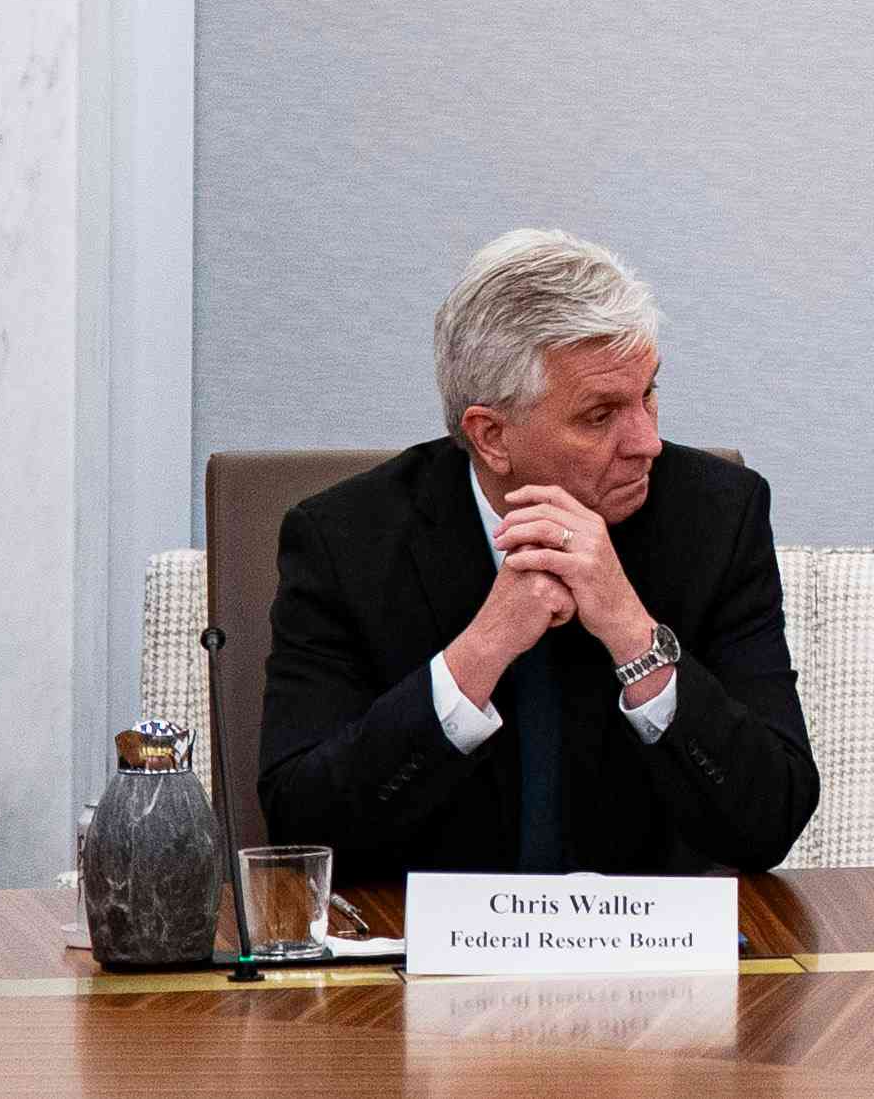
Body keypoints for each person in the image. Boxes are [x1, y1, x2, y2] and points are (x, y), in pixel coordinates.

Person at [257, 228, 818, 879]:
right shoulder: (345, 541)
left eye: (649, 394)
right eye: (599, 416)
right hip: (417, 959)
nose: (647, 443)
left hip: (648, 958)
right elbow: (301, 828)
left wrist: (636, 637)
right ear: (491, 436)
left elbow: (769, 821)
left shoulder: (717, 517)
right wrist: (482, 650)